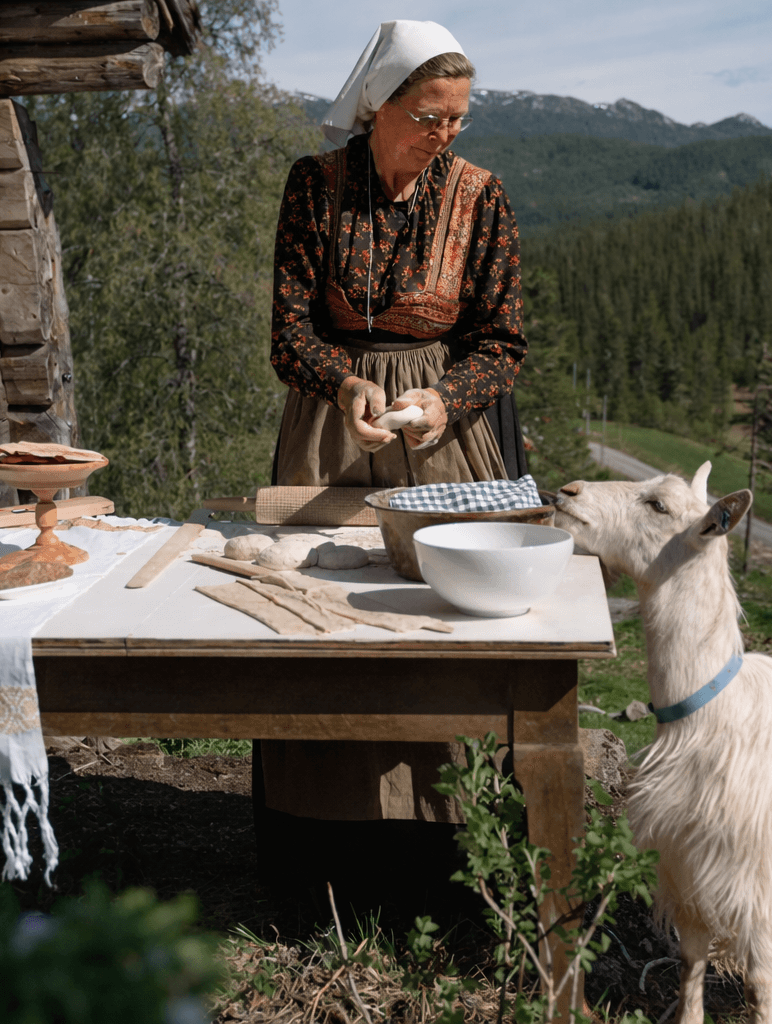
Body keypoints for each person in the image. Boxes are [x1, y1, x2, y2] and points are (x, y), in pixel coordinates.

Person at [257, 20, 529, 902]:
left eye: (457, 118)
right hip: (335, 423)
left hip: (441, 430)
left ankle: (450, 854)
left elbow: (501, 340)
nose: (445, 134)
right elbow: (289, 328)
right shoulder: (316, 185)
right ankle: (319, 856)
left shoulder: (482, 198)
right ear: (378, 106)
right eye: (428, 115)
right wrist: (343, 383)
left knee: (442, 616)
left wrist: (446, 399)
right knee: (316, 611)